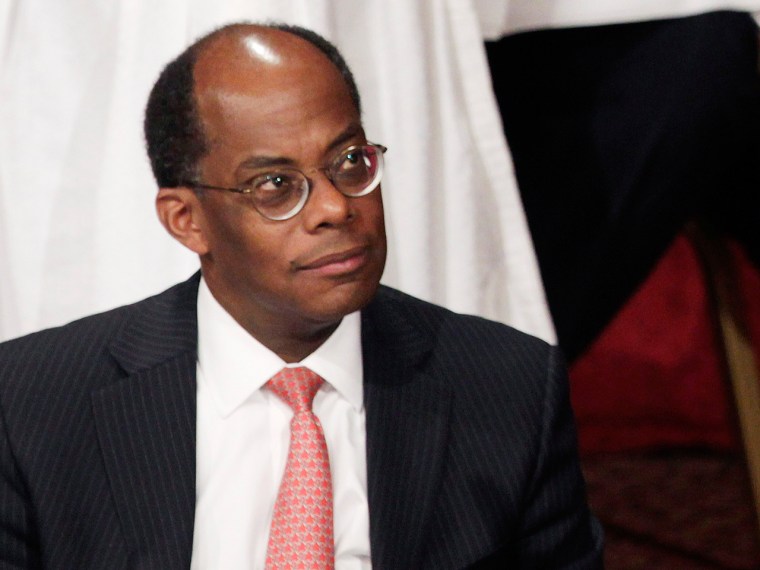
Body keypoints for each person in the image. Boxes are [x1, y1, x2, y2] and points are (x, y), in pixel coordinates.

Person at [0, 22, 603, 569]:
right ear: (188, 220)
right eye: (276, 186)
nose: (337, 207)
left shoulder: (510, 387)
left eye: (349, 161)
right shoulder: (35, 404)